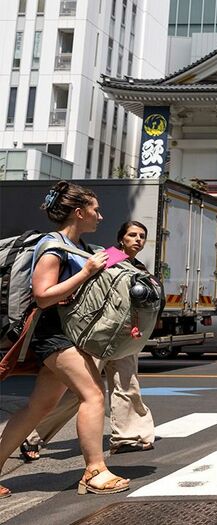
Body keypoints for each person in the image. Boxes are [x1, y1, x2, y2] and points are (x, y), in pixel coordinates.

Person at [0, 181, 130, 497]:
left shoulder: (84, 248)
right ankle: (94, 471)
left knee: (39, 406)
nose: (100, 217)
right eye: (96, 210)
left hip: (68, 333)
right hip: (51, 334)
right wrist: (86, 272)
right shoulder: (52, 247)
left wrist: (123, 253)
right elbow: (42, 296)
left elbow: (114, 269)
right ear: (78, 211)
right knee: (93, 395)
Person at [18, 221, 158, 461]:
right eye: (132, 235)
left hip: (124, 336)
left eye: (142, 236)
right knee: (79, 392)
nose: (137, 240)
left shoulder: (139, 267)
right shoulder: (108, 257)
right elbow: (92, 294)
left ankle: (128, 437)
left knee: (127, 383)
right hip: (100, 334)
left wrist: (136, 328)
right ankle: (32, 435)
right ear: (121, 238)